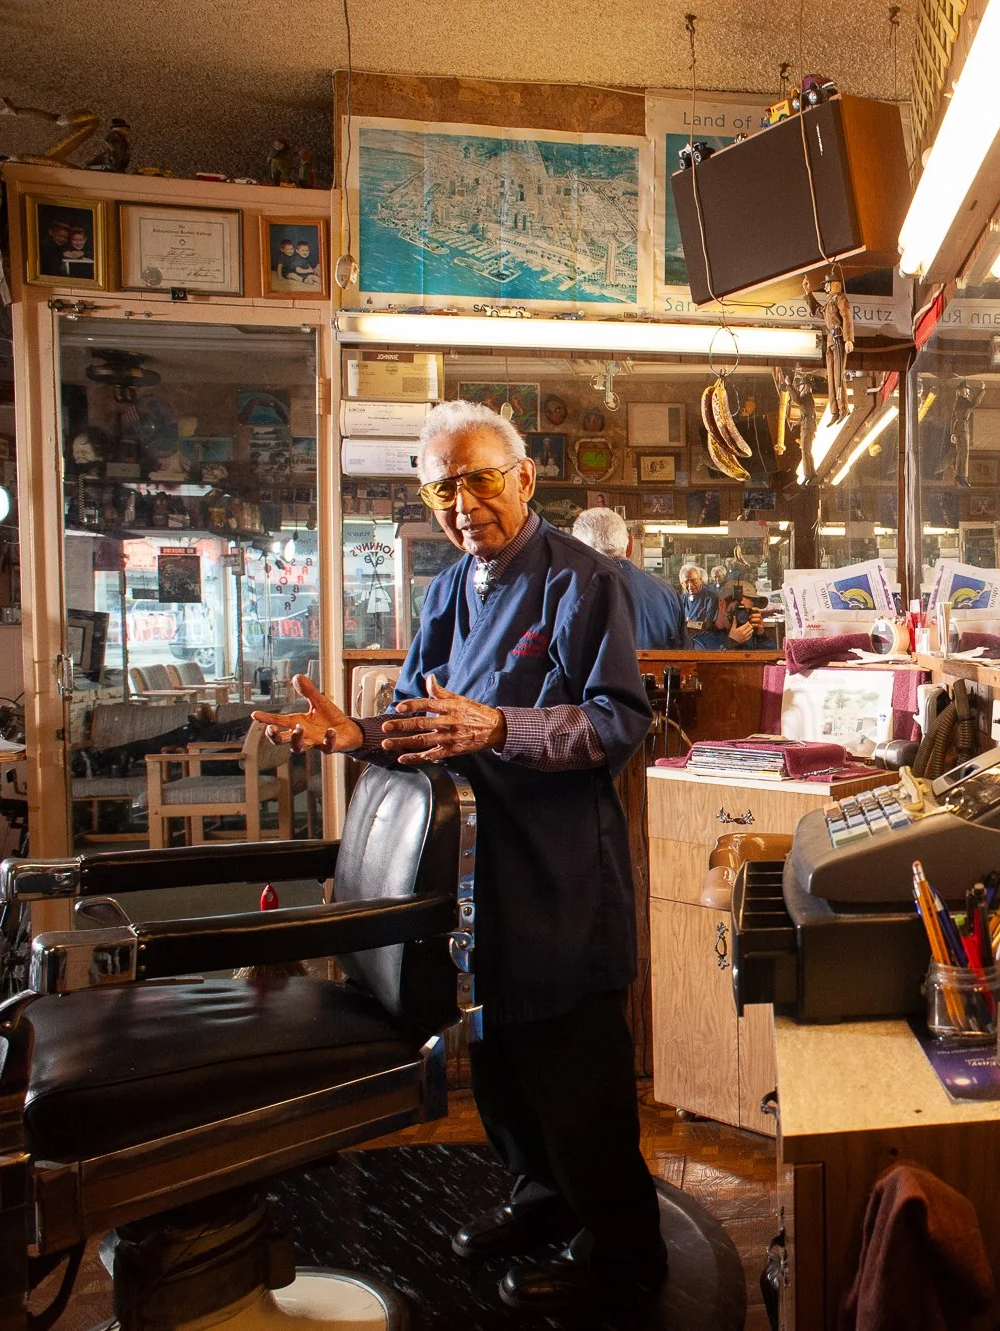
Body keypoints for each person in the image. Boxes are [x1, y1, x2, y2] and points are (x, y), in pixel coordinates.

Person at [252, 400, 664, 1316]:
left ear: (523, 477)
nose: (463, 502)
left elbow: (616, 723)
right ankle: (541, 1203)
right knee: (507, 1061)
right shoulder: (445, 591)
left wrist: (500, 724)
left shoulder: (581, 581)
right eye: (443, 487)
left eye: (480, 477)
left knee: (576, 1074)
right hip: (477, 880)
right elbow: (413, 726)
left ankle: (624, 1248)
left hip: (562, 875)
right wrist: (351, 734)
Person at [571, 506, 683, 651]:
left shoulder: (570, 594)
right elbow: (684, 659)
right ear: (630, 544)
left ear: (578, 551)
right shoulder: (668, 594)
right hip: (658, 673)